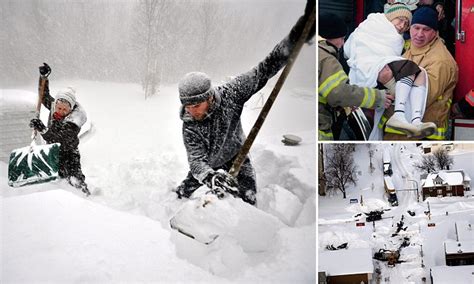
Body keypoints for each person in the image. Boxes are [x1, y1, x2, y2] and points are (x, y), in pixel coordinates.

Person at [174, 0, 315, 204]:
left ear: (209, 97)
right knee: (182, 194)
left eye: (195, 105)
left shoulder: (232, 93)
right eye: (187, 106)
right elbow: (196, 162)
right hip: (209, 166)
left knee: (248, 199)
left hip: (236, 156)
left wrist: (299, 33)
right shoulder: (189, 126)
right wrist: (210, 176)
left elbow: (265, 68)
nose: (191, 111)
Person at [344, 3, 436, 139]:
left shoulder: (398, 39)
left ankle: (416, 121)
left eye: (406, 24)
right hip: (369, 66)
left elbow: (389, 54)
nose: (402, 26)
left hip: (383, 68)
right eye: (400, 20)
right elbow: (353, 48)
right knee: (409, 68)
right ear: (391, 16)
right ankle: (400, 114)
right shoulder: (373, 25)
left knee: (420, 72)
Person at [381, 6, 458, 140]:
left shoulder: (440, 61)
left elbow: (423, 98)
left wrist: (388, 82)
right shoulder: (411, 49)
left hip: (420, 137)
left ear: (435, 32)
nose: (419, 34)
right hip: (400, 133)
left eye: (426, 29)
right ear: (410, 28)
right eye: (416, 28)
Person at [318, 12, 394, 140]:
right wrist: (377, 97)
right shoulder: (327, 59)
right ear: (329, 37)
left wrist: (346, 102)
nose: (343, 43)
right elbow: (338, 93)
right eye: (341, 38)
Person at [29, 63, 90, 195]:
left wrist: (42, 129)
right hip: (54, 152)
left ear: (70, 108)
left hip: (69, 153)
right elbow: (44, 96)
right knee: (59, 181)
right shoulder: (55, 105)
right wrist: (43, 78)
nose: (61, 111)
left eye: (64, 109)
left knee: (75, 180)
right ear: (55, 104)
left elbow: (59, 139)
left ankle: (86, 199)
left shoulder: (74, 119)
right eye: (59, 108)